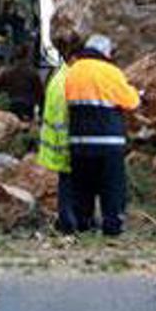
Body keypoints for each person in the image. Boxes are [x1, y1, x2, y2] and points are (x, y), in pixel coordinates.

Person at [64, 34, 140, 235]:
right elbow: (131, 102)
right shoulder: (111, 72)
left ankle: (83, 225)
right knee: (111, 188)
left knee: (82, 187)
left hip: (78, 141)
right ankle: (112, 226)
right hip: (109, 141)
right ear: (105, 52)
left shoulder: (73, 72)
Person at [36, 33, 83, 234]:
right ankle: (71, 223)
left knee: (66, 184)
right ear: (73, 58)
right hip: (69, 140)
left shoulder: (57, 77)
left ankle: (67, 221)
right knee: (73, 186)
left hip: (57, 142)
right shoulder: (70, 79)